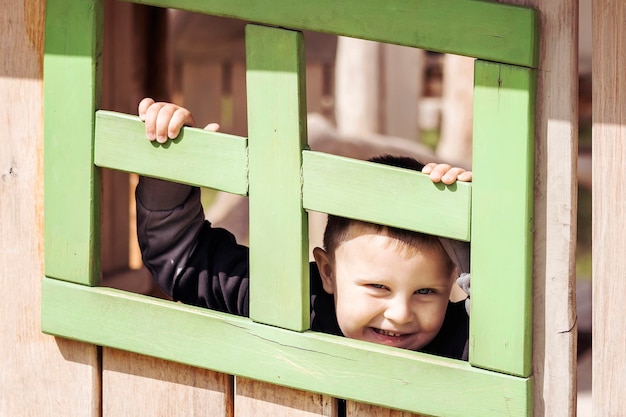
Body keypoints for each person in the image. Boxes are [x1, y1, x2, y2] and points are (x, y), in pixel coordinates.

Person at [136, 98, 472, 360]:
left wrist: (471, 230)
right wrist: (171, 158)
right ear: (327, 271)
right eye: (378, 287)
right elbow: (184, 261)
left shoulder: (463, 340)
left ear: (454, 277)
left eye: (426, 292)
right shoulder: (289, 302)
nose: (400, 315)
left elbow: (511, 328)